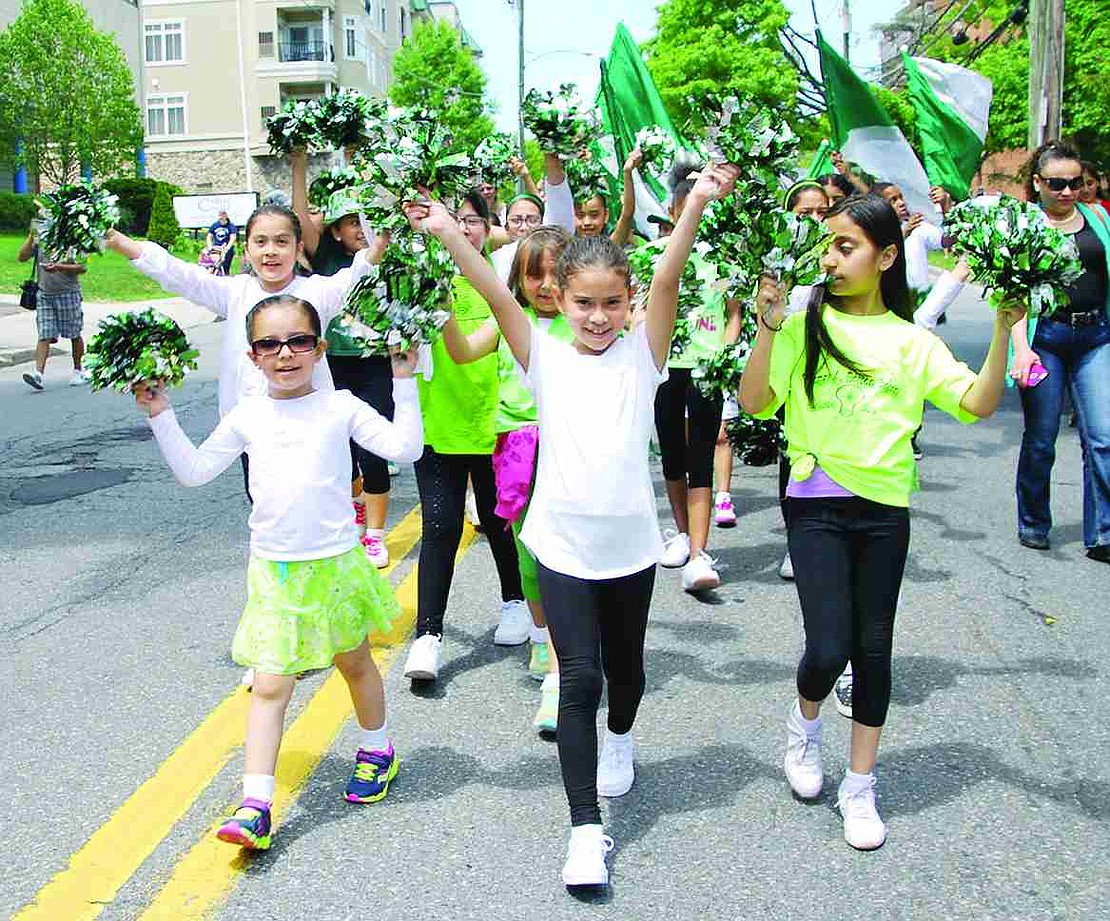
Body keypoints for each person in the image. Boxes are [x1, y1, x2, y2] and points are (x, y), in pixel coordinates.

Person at [406, 162, 740, 889]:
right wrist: (443, 232)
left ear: (626, 304)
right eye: (583, 302)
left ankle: (622, 738)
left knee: (628, 676)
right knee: (577, 678)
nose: (596, 316)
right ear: (561, 298)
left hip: (628, 551)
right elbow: (495, 292)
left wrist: (695, 208)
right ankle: (585, 829)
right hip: (559, 547)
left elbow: (670, 279)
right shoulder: (543, 352)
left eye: (610, 303)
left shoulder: (645, 357)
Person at [739, 193, 1024, 851]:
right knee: (828, 647)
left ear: (887, 255)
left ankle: (859, 786)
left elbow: (978, 403)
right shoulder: (801, 322)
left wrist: (1004, 329)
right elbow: (756, 403)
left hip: (884, 510)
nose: (831, 257)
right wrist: (764, 326)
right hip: (815, 505)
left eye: (847, 246)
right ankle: (804, 721)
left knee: (873, 652)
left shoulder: (912, 340)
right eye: (828, 245)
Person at [135, 294, 423, 849]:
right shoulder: (247, 416)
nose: (284, 353)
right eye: (270, 344)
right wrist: (160, 414)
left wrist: (403, 380)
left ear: (318, 350)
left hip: (335, 565)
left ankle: (377, 748)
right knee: (269, 684)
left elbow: (404, 448)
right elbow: (195, 472)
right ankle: (256, 804)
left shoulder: (340, 406)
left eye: (297, 342)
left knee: (356, 663)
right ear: (252, 356)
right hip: (274, 570)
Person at [438, 225, 574, 734]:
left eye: (554, 273)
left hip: (565, 450)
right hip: (514, 448)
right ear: (517, 278)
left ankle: (560, 675)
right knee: (527, 555)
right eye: (532, 273)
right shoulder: (510, 324)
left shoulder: (584, 327)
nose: (544, 284)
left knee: (560, 554)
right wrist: (442, 312)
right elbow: (461, 351)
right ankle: (542, 635)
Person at [401, 191, 527, 683]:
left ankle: (515, 602)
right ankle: (428, 635)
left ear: (488, 227)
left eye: (471, 220)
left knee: (500, 521)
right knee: (440, 527)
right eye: (454, 220)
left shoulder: (504, 279)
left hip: (498, 423)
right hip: (438, 421)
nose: (462, 228)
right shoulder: (417, 280)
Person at [291, 166, 396, 569]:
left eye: (362, 220)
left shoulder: (382, 258)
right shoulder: (324, 262)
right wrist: (298, 163)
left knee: (372, 450)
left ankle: (375, 534)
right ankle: (355, 510)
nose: (358, 227)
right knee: (342, 451)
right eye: (351, 222)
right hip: (333, 364)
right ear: (335, 230)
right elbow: (301, 219)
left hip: (375, 364)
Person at [1010, 142, 1110, 563]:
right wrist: (1020, 350)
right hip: (1044, 339)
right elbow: (1010, 296)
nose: (1068, 192)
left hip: (1095, 336)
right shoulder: (1022, 226)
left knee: (1104, 438)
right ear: (1038, 183)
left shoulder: (1099, 218)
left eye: (1074, 183)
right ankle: (1033, 522)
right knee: (1042, 439)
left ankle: (1103, 533)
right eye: (1057, 184)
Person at [654, 162, 742, 591]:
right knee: (671, 453)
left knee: (701, 455)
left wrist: (725, 352)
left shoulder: (722, 258)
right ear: (674, 212)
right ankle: (683, 533)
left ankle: (700, 554)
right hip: (665, 367)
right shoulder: (656, 255)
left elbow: (733, 313)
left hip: (707, 367)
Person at [18, 223, 89, 390]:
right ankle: (38, 374)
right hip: (44, 294)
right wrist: (31, 236)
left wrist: (58, 267)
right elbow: (22, 257)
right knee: (44, 334)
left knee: (74, 334)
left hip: (68, 293)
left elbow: (82, 267)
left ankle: (78, 370)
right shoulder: (41, 235)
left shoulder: (74, 235)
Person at [489, 151, 575, 280]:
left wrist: (549, 148)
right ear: (506, 226)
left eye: (532, 220)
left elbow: (557, 188)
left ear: (542, 223)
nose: (524, 227)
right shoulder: (495, 261)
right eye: (516, 220)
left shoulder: (556, 249)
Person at [573, 149, 641, 245]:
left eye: (594, 215)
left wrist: (627, 171)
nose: (587, 222)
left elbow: (627, 214)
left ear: (606, 215)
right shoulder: (565, 248)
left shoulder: (609, 248)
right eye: (580, 215)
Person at [206, 210, 238, 275]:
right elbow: (209, 236)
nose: (221, 218)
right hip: (215, 249)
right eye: (220, 216)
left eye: (222, 216)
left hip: (226, 250)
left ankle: (225, 277)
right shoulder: (215, 225)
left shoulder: (231, 226)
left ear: (226, 216)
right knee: (212, 265)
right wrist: (210, 246)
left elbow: (233, 238)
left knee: (224, 267)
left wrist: (227, 247)